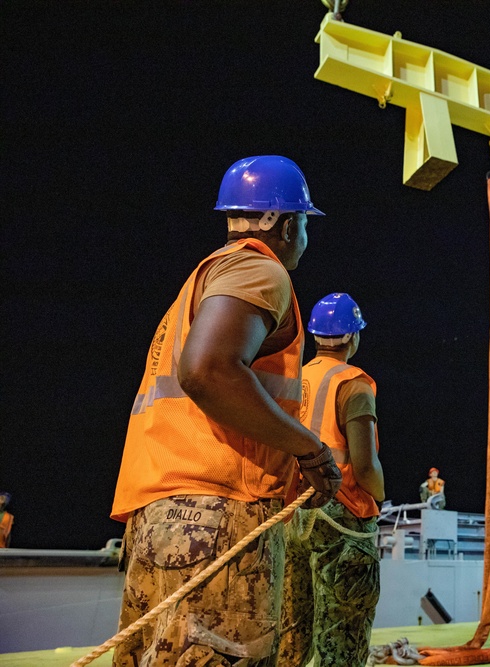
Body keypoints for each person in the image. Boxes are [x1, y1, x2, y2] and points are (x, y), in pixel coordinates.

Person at [110, 156, 342, 667]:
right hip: (218, 518)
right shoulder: (261, 270)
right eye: (304, 222)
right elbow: (208, 371)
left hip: (162, 514)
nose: (304, 235)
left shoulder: (206, 279)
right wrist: (308, 449)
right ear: (286, 223)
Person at [277, 293, 385, 667]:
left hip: (295, 517)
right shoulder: (355, 384)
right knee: (342, 634)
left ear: (315, 336)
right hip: (343, 515)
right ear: (353, 337)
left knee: (291, 633)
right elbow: (364, 464)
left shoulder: (296, 378)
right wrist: (380, 497)